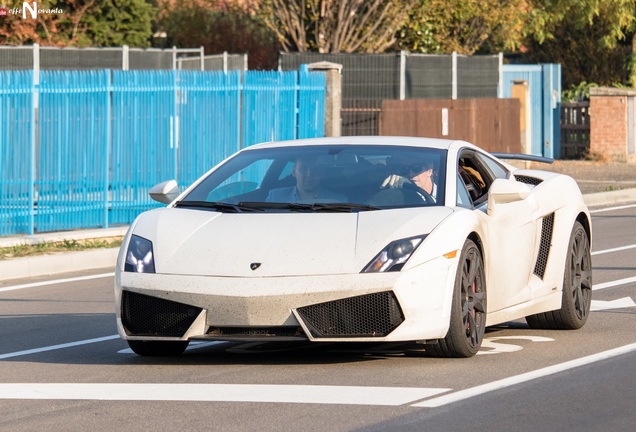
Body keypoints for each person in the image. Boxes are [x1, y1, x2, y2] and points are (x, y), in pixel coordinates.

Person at [266, 156, 347, 203]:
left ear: (322, 173)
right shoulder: (275, 198)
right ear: (294, 172)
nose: (309, 174)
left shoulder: (338, 201)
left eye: (315, 169)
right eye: (303, 169)